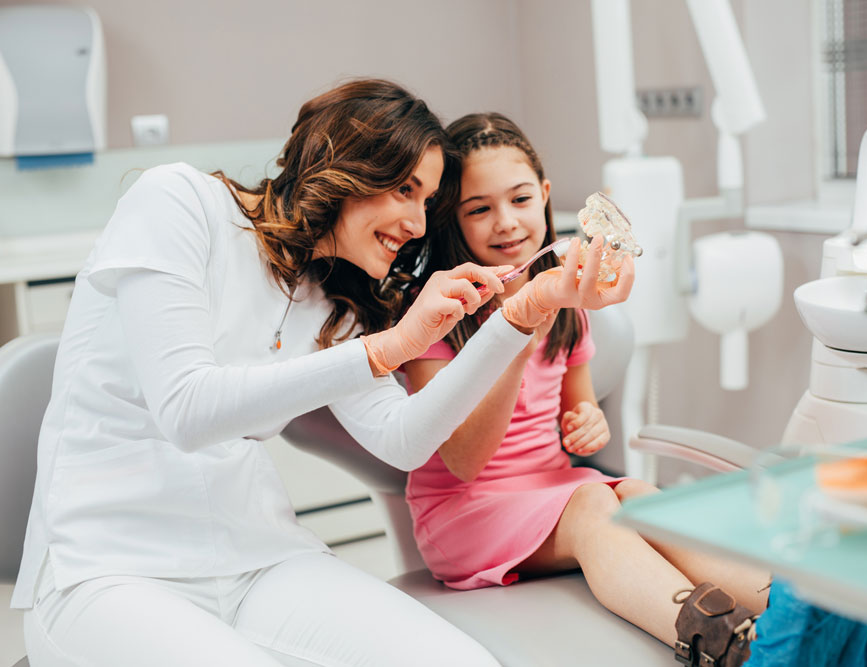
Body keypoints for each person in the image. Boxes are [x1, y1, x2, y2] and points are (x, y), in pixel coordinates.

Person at [11, 81, 632, 667]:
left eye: (427, 202)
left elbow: (408, 440)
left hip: (259, 559)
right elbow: (187, 410)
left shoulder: (332, 301)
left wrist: (519, 319)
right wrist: (389, 348)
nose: (418, 225)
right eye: (405, 190)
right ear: (348, 166)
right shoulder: (179, 202)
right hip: (105, 568)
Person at [403, 112, 771, 666]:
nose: (506, 222)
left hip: (553, 486)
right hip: (462, 513)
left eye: (521, 199)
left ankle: (794, 605)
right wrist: (517, 336)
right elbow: (461, 461)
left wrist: (587, 419)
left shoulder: (568, 303)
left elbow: (578, 410)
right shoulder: (441, 317)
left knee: (640, 497)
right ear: (451, 221)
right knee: (594, 498)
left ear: (546, 196)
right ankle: (714, 642)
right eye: (479, 209)